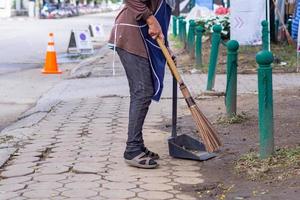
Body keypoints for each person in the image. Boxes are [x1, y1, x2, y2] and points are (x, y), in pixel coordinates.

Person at [108, 0, 175, 169]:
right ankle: (132, 149)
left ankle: (137, 145)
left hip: (141, 36)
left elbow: (161, 22)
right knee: (143, 91)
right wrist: (150, 19)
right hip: (131, 34)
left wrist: (166, 48)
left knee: (142, 91)